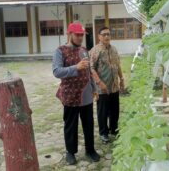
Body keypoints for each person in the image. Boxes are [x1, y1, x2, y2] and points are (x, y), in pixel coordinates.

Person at [52, 22, 100, 165]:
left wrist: (94, 88)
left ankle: (90, 150)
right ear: (69, 34)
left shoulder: (85, 50)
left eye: (81, 35)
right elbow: (56, 71)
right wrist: (75, 67)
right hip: (70, 96)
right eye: (77, 35)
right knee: (70, 125)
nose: (80, 38)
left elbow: (89, 71)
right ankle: (70, 152)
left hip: (86, 95)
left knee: (89, 124)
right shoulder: (60, 51)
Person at [90, 26, 125, 143]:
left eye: (108, 34)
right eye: (104, 34)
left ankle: (114, 129)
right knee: (103, 111)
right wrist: (99, 83)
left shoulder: (114, 49)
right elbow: (91, 68)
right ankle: (103, 133)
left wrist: (122, 79)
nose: (106, 36)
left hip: (114, 86)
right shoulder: (95, 51)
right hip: (102, 88)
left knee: (115, 110)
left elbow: (118, 65)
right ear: (99, 37)